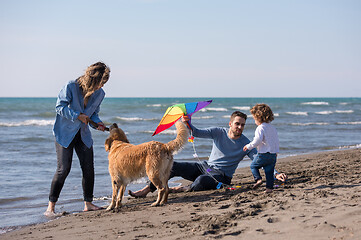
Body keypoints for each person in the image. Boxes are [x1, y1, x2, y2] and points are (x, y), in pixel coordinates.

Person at [129, 111, 286, 198]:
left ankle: (180, 190)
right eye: (237, 124)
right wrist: (188, 122)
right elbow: (196, 132)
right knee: (173, 166)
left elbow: (259, 160)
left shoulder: (246, 143)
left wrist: (275, 173)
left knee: (202, 181)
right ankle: (147, 190)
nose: (240, 127)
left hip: (222, 176)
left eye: (242, 125)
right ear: (230, 123)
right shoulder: (218, 132)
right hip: (206, 167)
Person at [44, 62, 110, 217]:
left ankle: (88, 203)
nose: (102, 86)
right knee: (63, 169)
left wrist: (98, 123)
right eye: (101, 82)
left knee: (89, 169)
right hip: (64, 133)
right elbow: (60, 107)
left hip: (83, 135)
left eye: (104, 83)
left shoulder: (100, 94)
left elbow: (93, 114)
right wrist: (77, 116)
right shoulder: (71, 86)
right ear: (92, 78)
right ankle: (50, 207)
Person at [243, 104, 279, 193]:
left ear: (258, 117)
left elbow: (257, 140)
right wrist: (276, 152)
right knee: (269, 172)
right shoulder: (272, 128)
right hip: (273, 155)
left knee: (253, 166)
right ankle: (269, 188)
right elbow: (276, 141)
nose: (254, 121)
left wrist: (248, 146)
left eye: (254, 118)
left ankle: (258, 179)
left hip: (263, 154)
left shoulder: (260, 128)